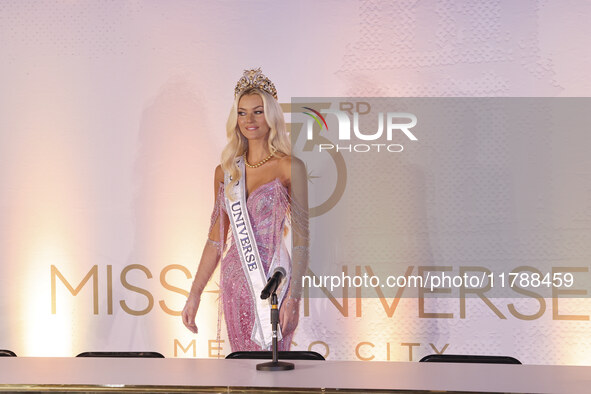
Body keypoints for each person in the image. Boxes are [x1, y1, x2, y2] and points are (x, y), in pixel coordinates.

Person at [181, 68, 309, 352]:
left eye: (257, 111)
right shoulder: (225, 172)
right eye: (242, 113)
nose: (249, 120)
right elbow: (215, 241)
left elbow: (301, 242)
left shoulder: (290, 167)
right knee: (242, 369)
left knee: (275, 366)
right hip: (235, 283)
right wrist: (195, 294)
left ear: (272, 115)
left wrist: (295, 298)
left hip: (276, 280)